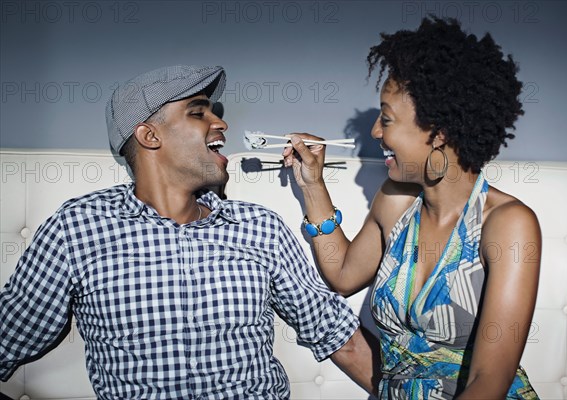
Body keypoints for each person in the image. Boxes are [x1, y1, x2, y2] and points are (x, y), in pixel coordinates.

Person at [0, 65, 378, 399]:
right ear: (150, 136)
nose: (222, 124)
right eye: (199, 113)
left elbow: (338, 337)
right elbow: (10, 335)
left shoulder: (259, 228)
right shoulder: (78, 228)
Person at [282, 17, 541, 399]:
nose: (375, 133)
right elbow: (342, 274)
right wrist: (312, 184)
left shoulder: (507, 224)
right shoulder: (395, 201)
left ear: (439, 134)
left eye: (386, 118)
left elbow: (489, 380)